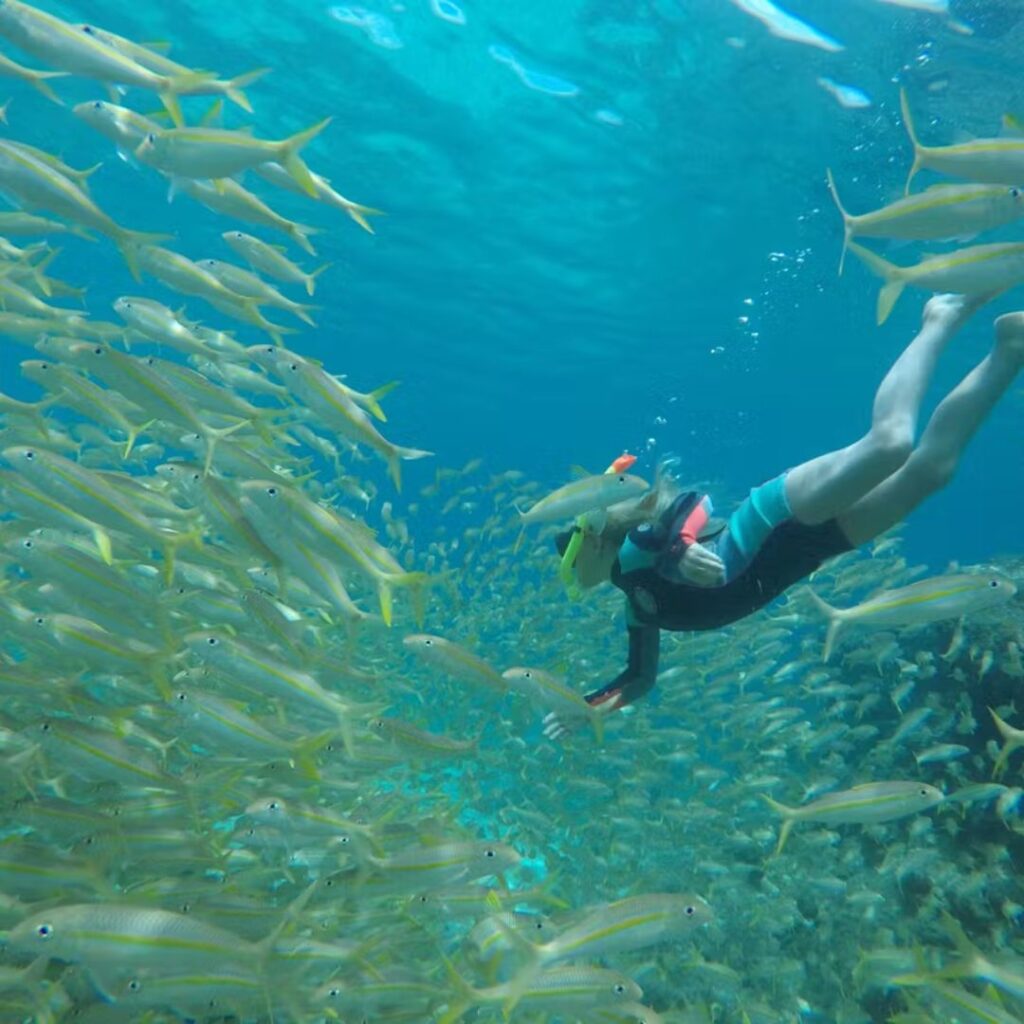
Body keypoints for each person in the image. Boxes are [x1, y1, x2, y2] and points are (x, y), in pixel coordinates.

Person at [543, 294, 1024, 740]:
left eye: (565, 557)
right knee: (932, 471)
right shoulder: (637, 604)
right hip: (813, 548)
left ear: (594, 540)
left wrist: (682, 547)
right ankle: (1011, 348)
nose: (566, 571)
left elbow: (692, 503)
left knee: (891, 443)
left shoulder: (634, 552)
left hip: (774, 514)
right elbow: (640, 678)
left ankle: (938, 319)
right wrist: (590, 708)